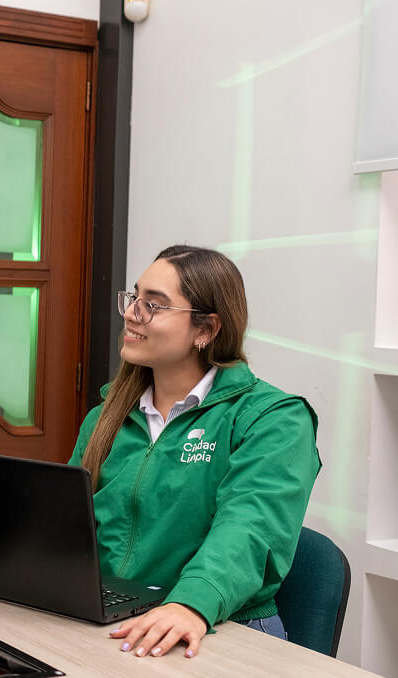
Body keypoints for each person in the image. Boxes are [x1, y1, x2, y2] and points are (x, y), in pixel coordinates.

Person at [69, 245, 320, 659]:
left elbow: (250, 530)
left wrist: (190, 604)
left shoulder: (273, 419)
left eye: (154, 305)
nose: (132, 314)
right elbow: (69, 524)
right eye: (134, 298)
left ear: (207, 329)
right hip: (116, 617)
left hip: (216, 625)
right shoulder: (105, 416)